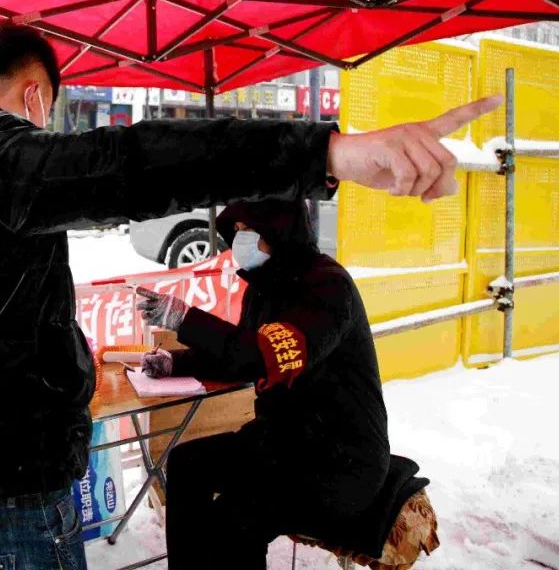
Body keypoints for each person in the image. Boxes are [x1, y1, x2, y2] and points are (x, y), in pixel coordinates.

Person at [0, 23, 498, 569]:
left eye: (248, 229)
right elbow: (129, 163)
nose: (238, 242)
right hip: (0, 489)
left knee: (228, 501)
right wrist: (323, 152)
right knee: (195, 472)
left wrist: (163, 338)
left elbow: (253, 357)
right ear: (34, 96)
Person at [135, 199, 391, 568]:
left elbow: (263, 355)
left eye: (249, 230)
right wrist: (176, 362)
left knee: (235, 519)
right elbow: (238, 356)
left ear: (280, 229)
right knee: (186, 464)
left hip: (338, 462)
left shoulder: (328, 287)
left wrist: (185, 319)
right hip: (283, 443)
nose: (240, 240)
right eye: (237, 231)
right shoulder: (263, 286)